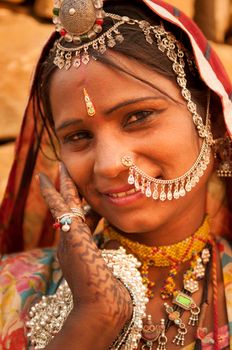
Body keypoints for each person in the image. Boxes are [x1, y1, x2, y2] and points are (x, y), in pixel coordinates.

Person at [0, 0, 232, 349]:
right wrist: (93, 320)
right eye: (78, 136)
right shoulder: (8, 288)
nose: (107, 165)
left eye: (138, 117)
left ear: (211, 122)